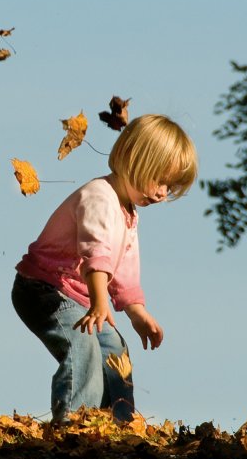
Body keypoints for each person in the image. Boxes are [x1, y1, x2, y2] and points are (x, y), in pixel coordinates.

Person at [11, 114, 197, 423]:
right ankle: (76, 423)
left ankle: (119, 421)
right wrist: (99, 301)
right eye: (160, 179)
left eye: (170, 186)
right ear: (136, 160)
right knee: (82, 344)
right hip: (42, 288)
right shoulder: (100, 197)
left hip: (81, 296)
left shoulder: (128, 213)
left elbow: (123, 268)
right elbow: (94, 254)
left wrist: (137, 313)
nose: (164, 192)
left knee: (113, 346)